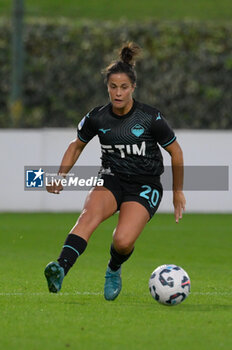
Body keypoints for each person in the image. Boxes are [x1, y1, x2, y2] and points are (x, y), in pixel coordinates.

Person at [44, 42, 186, 301]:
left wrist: (178, 192)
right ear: (107, 87)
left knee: (122, 241)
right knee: (87, 218)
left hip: (145, 185)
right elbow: (76, 146)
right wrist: (60, 175)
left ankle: (114, 268)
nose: (118, 93)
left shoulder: (150, 118)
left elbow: (175, 152)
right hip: (111, 179)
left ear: (133, 88)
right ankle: (60, 268)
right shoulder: (97, 117)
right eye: (113, 87)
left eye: (123, 87)